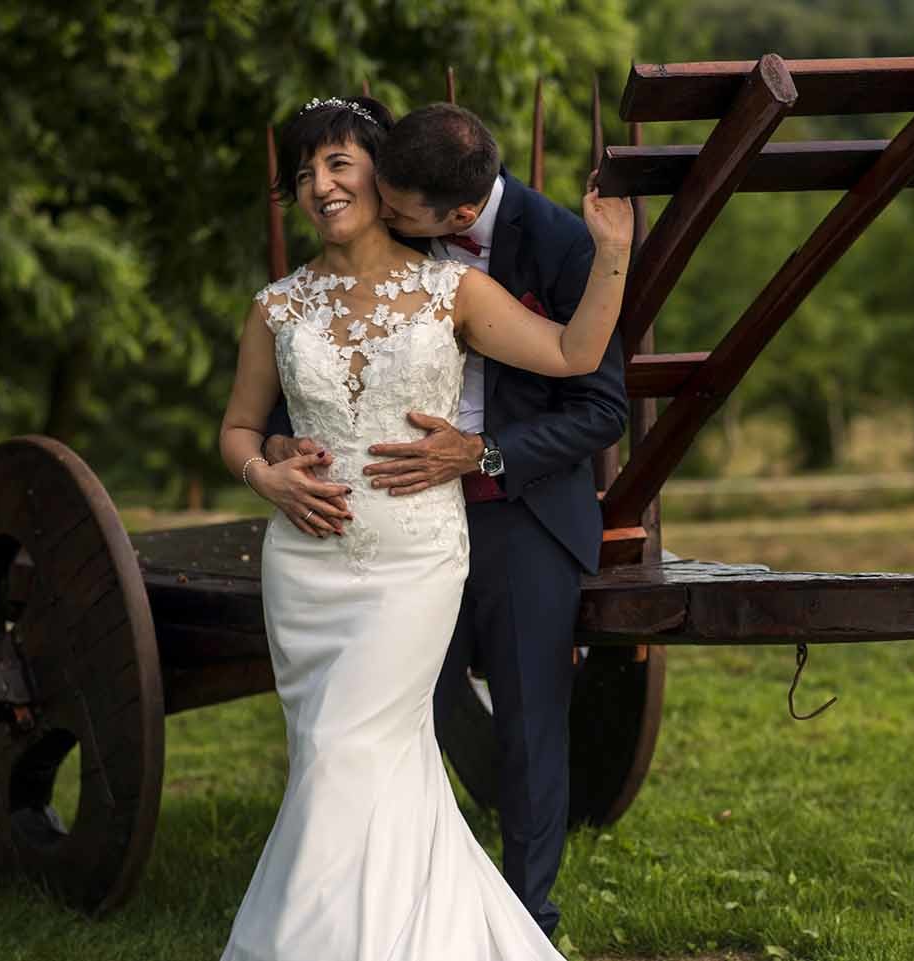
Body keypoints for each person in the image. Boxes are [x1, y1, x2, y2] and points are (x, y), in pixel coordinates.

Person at [217, 95, 631, 960]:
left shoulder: (451, 287)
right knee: (360, 761)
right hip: (306, 565)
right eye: (303, 174)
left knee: (342, 749)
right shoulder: (277, 306)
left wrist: (613, 254)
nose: (319, 185)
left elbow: (573, 357)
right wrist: (266, 474)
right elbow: (238, 428)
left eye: (337, 163)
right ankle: (413, 933)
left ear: (383, 175)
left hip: (412, 563)